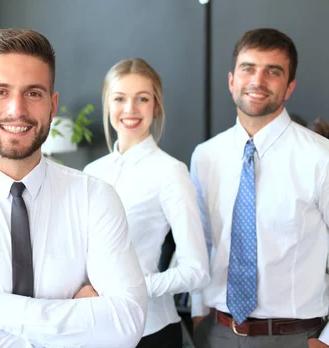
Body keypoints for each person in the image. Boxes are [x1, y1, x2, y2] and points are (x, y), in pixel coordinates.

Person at [0, 28, 148, 347]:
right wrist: (76, 323)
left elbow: (126, 323)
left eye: (33, 93)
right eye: (0, 92)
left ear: (52, 104)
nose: (16, 109)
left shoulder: (95, 198)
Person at [190, 28, 329, 348]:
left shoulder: (321, 158)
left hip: (296, 337)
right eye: (248, 68)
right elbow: (200, 242)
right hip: (218, 333)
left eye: (273, 71)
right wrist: (199, 316)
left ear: (290, 86)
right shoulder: (206, 156)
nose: (258, 80)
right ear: (231, 80)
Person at [84, 58, 210, 348]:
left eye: (142, 98)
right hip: (95, 329)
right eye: (120, 98)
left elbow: (197, 271)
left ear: (156, 106)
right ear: (108, 105)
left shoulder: (170, 172)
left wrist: (134, 287)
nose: (130, 109)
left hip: (151, 332)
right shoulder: (91, 172)